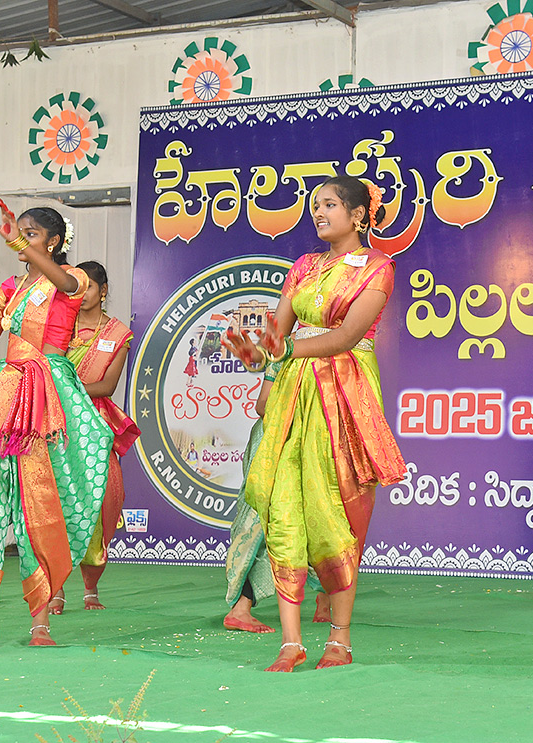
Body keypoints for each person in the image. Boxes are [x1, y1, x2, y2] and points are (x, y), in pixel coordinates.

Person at [222, 175, 406, 671]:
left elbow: (346, 336)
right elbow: (275, 338)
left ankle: (339, 640)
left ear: (359, 214)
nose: (318, 213)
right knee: (284, 506)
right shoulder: (302, 266)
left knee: (337, 514)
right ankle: (290, 641)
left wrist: (283, 350)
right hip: (293, 395)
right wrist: (253, 354)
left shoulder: (377, 268)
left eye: (329, 205)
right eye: (314, 206)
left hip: (344, 395)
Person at [0, 200, 113, 652]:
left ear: (53, 242)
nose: (21, 241)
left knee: (40, 504)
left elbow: (59, 280)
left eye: (31, 234)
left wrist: (27, 249)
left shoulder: (72, 278)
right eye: (19, 234)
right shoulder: (9, 288)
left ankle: (41, 623)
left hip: (49, 395)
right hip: (6, 391)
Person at [50, 260, 139, 612]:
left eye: (88, 287)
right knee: (56, 502)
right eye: (75, 285)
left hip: (95, 424)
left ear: (102, 291)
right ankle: (55, 588)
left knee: (102, 500)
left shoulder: (117, 334)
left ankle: (91, 587)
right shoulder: (59, 328)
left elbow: (107, 385)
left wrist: (68, 390)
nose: (81, 293)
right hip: (57, 421)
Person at [223, 367, 330, 633]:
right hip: (279, 440)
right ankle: (242, 607)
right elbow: (263, 405)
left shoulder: (334, 347)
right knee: (268, 522)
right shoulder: (289, 349)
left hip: (307, 439)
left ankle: (327, 598)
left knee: (320, 517)